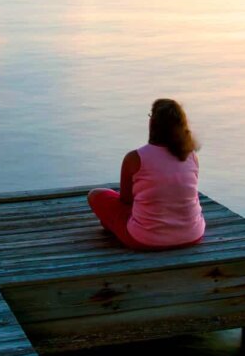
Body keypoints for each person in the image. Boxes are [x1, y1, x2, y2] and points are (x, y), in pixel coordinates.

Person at [88, 98, 206, 250]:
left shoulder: (135, 158)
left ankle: (113, 226)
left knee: (96, 195)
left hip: (146, 239)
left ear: (153, 124)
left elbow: (126, 200)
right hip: (192, 235)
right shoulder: (191, 156)